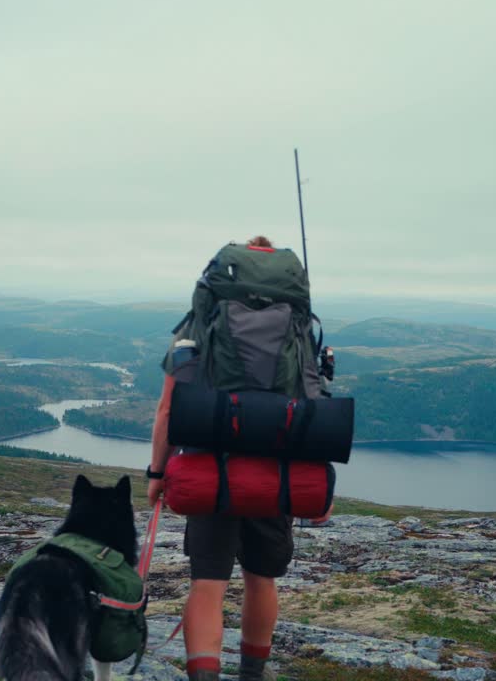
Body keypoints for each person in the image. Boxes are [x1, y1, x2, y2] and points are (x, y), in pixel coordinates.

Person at [146, 235, 332, 681]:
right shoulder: (298, 330)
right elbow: (314, 404)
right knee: (260, 579)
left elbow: (168, 410)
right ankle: (253, 673)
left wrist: (157, 473)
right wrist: (319, 490)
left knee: (207, 585)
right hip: (275, 476)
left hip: (209, 472)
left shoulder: (199, 328)